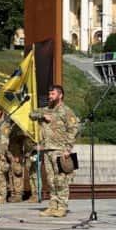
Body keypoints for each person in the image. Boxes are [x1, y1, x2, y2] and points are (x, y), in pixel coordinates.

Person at [29, 85, 80, 217]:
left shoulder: (66, 111)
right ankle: (53, 206)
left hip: (60, 150)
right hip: (47, 149)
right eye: (49, 94)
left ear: (60, 95)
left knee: (61, 179)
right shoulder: (46, 109)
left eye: (52, 94)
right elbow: (32, 114)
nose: (50, 96)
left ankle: (62, 207)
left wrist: (68, 148)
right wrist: (43, 115)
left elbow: (74, 129)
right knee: (51, 180)